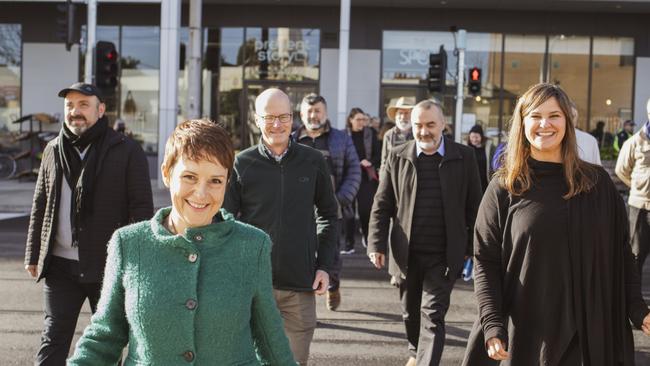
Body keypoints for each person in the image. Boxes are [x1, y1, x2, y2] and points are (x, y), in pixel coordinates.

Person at [68, 119, 296, 365]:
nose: (201, 193)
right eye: (189, 176)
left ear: (227, 182)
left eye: (215, 181)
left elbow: (270, 339)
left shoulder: (252, 245)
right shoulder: (128, 244)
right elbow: (105, 336)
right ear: (167, 173)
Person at [463, 83, 650, 365]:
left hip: (592, 333)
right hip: (528, 335)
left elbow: (621, 253)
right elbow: (485, 261)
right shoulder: (504, 187)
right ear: (522, 123)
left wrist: (638, 309)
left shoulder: (598, 184)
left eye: (554, 116)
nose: (545, 124)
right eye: (535, 116)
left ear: (567, 122)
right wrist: (492, 323)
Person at [24, 82, 153, 365]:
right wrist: (33, 253)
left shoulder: (126, 150)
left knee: (107, 344)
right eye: (70, 106)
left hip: (108, 266)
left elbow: (141, 208)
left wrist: (142, 262)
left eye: (83, 105)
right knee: (53, 339)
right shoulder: (53, 149)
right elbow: (41, 203)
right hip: (60, 266)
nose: (75, 112)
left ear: (101, 109)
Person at [224, 88, 338, 366]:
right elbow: (226, 219)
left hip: (300, 284)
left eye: (283, 117)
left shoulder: (313, 161)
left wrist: (325, 265)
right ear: (256, 119)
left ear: (293, 118)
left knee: (293, 361)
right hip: (252, 285)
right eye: (269, 117)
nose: (277, 124)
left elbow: (329, 214)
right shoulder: (242, 163)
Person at [367, 99, 482, 366]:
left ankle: (424, 361)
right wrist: (376, 244)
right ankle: (414, 352)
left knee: (433, 315)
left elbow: (475, 207)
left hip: (444, 256)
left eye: (430, 124)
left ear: (443, 124)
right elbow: (382, 204)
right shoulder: (398, 155)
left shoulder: (464, 156)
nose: (424, 131)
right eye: (419, 125)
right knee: (410, 314)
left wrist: (472, 250)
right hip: (406, 254)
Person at [292, 93, 360, 311]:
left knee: (331, 254)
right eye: (309, 111)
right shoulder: (291, 139)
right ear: (301, 114)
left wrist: (340, 199)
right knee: (300, 256)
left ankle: (333, 285)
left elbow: (354, 170)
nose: (313, 115)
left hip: (332, 209)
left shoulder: (341, 138)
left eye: (317, 110)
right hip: (299, 211)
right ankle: (306, 304)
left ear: (326, 113)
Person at [616, 98, 650, 279]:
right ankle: (633, 302)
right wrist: (638, 187)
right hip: (640, 208)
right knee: (635, 254)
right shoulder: (634, 142)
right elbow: (621, 170)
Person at [345, 107, 381, 252]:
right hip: (348, 177)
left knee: (366, 210)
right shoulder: (343, 135)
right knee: (349, 211)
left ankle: (367, 237)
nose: (361, 123)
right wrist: (357, 161)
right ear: (351, 120)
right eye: (358, 120)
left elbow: (379, 154)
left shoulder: (371, 133)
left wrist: (369, 161)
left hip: (366, 176)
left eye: (363, 120)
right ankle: (349, 244)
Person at [381, 96, 416, 166]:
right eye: (400, 113)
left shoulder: (418, 133)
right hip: (393, 175)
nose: (403, 117)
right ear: (395, 115)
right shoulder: (388, 135)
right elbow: (384, 161)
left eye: (406, 113)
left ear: (413, 115)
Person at [466, 124, 493, 192]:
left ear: (482, 137)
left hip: (484, 181)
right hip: (470, 182)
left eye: (477, 137)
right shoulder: (466, 147)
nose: (474, 140)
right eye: (472, 137)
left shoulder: (488, 148)